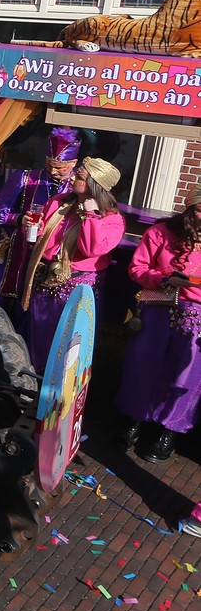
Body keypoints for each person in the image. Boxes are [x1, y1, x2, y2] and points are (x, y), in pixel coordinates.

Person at [14, 157, 126, 373]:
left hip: (76, 289)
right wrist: (32, 226)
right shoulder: (58, 203)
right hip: (44, 281)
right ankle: (30, 381)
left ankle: (56, 387)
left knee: (67, 342)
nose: (73, 177)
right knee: (36, 336)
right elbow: (40, 237)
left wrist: (90, 216)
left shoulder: (112, 220)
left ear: (95, 184)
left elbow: (92, 248)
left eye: (80, 176)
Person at [114, 186, 201, 463]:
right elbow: (137, 268)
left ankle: (169, 430)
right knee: (144, 366)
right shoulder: (160, 233)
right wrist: (164, 279)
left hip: (197, 315)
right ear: (190, 208)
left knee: (185, 375)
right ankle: (135, 418)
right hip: (158, 305)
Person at [0, 127, 81, 303]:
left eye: (60, 168)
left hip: (53, 258)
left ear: (73, 163)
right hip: (18, 250)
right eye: (49, 165)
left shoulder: (79, 187)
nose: (53, 171)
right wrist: (20, 219)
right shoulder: (25, 178)